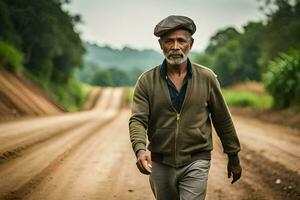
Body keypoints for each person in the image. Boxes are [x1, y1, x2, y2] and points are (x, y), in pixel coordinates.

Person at [129, 15, 242, 200]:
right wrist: (140, 150)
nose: (175, 47)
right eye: (169, 41)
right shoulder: (146, 81)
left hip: (196, 159)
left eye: (181, 40)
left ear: (190, 43)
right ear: (161, 45)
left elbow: (222, 118)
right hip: (160, 161)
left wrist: (233, 155)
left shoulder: (207, 78)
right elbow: (138, 119)